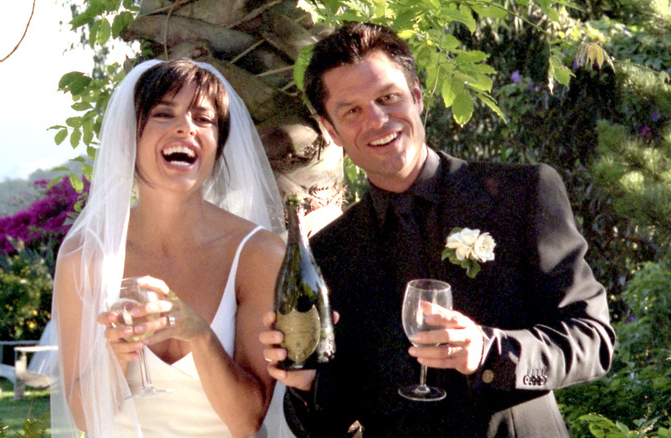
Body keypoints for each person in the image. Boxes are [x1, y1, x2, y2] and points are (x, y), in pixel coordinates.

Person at [260, 22, 615, 437]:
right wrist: (307, 384)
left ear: (416, 98)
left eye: (387, 98)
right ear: (331, 129)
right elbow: (336, 420)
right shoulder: (329, 250)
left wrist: (489, 350)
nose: (377, 119)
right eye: (351, 110)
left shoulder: (523, 194)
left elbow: (593, 339)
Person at [50, 59, 295, 437]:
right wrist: (114, 357)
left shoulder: (257, 254)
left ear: (219, 144)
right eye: (165, 114)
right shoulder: (84, 256)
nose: (186, 127)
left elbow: (248, 421)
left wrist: (199, 334)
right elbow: (85, 419)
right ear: (130, 136)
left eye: (204, 119)